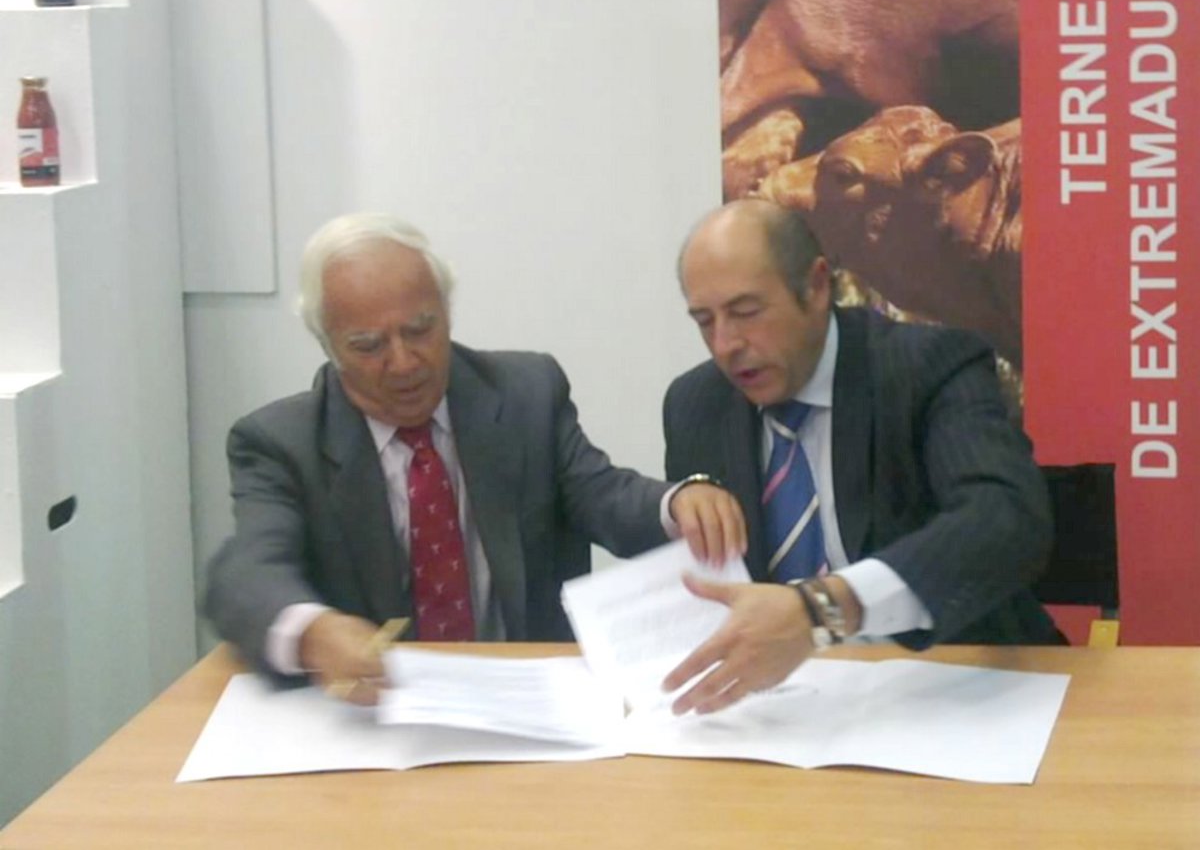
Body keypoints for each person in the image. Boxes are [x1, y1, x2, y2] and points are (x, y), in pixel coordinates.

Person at [206, 213, 744, 704]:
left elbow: (601, 493)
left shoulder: (525, 393)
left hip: (525, 698)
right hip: (377, 715)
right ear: (329, 346)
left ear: (447, 313)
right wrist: (314, 633)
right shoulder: (281, 442)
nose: (403, 362)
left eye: (420, 330)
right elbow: (245, 575)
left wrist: (679, 502)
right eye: (368, 346)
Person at [661, 199, 1061, 715]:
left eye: (746, 312)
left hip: (954, 693)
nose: (725, 345)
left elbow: (1004, 519)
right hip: (789, 711)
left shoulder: (927, 367)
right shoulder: (697, 404)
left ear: (817, 286)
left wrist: (824, 609)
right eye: (704, 321)